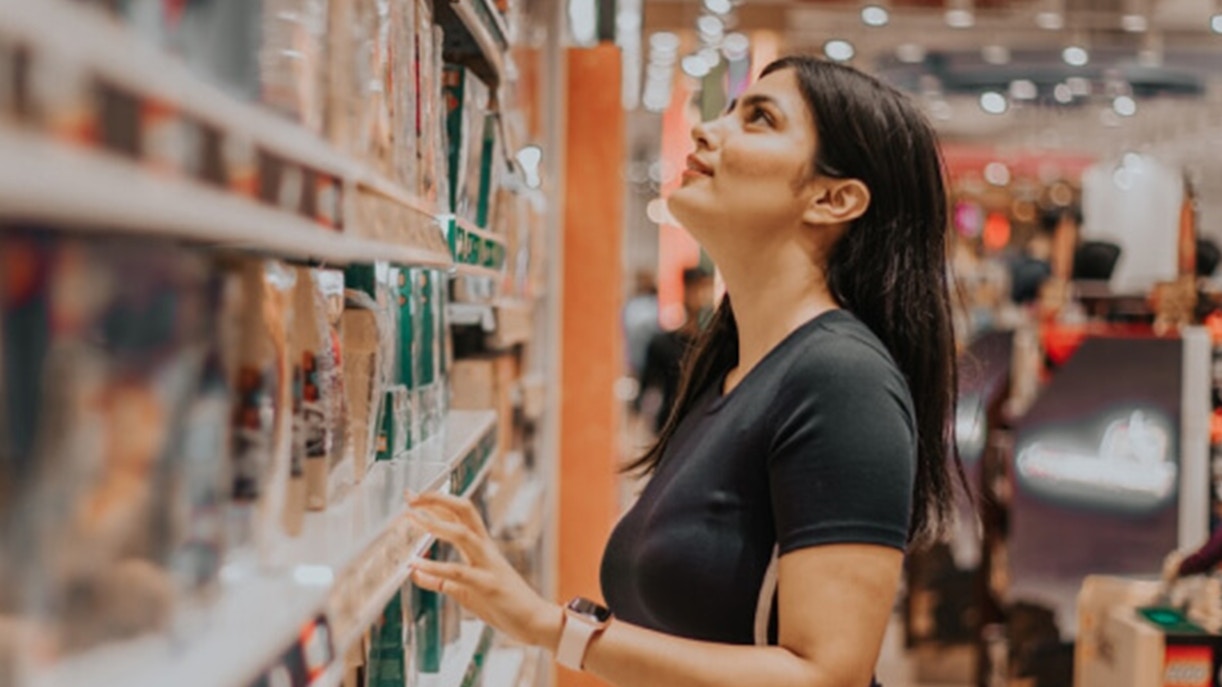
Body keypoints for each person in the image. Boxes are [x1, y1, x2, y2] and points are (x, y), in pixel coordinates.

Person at [404, 55, 964, 687]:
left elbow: (827, 674)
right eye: (729, 109)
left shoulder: (843, 381)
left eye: (759, 119)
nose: (707, 130)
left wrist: (555, 628)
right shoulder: (731, 373)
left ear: (833, 198)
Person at [636, 266, 714, 434]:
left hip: (703, 425)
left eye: (704, 288)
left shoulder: (714, 345)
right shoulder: (663, 343)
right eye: (696, 288)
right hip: (671, 423)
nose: (700, 295)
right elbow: (648, 387)